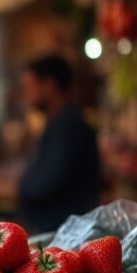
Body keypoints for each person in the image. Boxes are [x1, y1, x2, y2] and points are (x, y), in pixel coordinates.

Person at [17, 55, 102, 233]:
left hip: (61, 231)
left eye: (29, 86)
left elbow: (48, 182)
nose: (25, 94)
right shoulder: (58, 122)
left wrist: (12, 187)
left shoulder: (68, 125)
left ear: (49, 85)